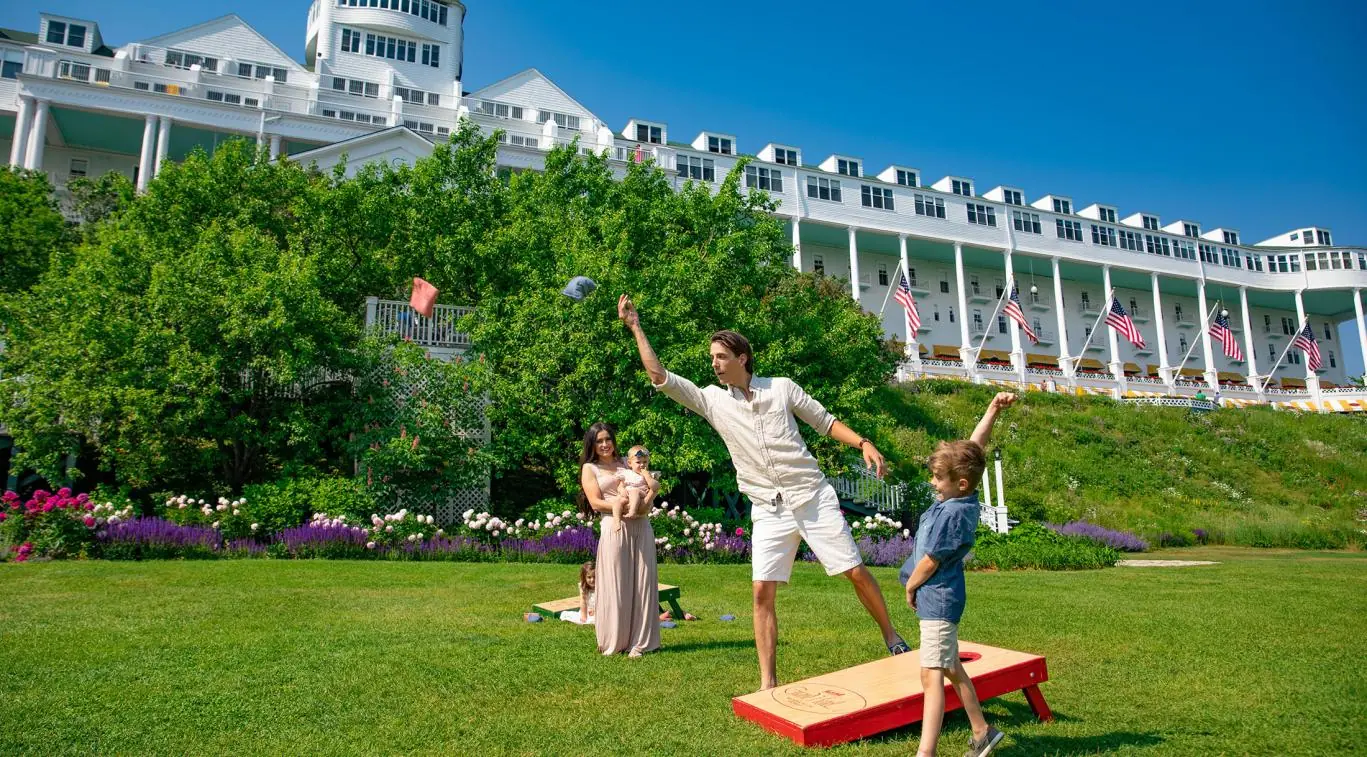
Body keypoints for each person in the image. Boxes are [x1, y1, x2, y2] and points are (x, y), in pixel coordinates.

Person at [617, 294, 907, 691]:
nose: (714, 363)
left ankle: (892, 637)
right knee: (760, 591)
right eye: (712, 358)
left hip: (811, 497)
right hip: (768, 509)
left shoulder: (782, 389)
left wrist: (862, 443)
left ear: (743, 358)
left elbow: (824, 422)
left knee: (855, 572)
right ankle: (767, 683)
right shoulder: (712, 400)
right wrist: (635, 326)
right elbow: (659, 376)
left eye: (720, 356)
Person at [902, 392, 1016, 757]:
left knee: (931, 675)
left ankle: (926, 752)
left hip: (937, 597)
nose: (933, 483)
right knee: (950, 666)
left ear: (961, 484)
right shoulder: (958, 493)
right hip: (938, 598)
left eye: (938, 478)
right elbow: (973, 450)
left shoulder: (954, 514)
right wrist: (993, 410)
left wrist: (911, 585)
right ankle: (982, 731)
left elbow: (932, 560)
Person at [578, 422, 661, 657]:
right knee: (616, 583)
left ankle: (642, 642)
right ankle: (615, 641)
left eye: (608, 439)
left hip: (641, 525)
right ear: (592, 445)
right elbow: (595, 502)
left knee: (642, 582)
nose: (604, 444)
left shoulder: (628, 462)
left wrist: (646, 501)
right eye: (599, 441)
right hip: (613, 525)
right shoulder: (590, 468)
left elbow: (647, 485)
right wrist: (620, 507)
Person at [613, 445, 655, 531]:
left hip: (641, 495)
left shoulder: (648, 474)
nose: (642, 465)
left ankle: (633, 511)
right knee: (617, 502)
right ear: (629, 463)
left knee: (634, 491)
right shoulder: (626, 473)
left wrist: (647, 478)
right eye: (638, 462)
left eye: (645, 462)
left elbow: (652, 487)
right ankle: (617, 521)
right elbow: (620, 485)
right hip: (627, 495)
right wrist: (621, 490)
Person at [560, 561, 596, 625]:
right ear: (584, 577)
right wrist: (584, 616)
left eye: (594, 577)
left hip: (600, 610)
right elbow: (583, 601)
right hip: (588, 611)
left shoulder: (601, 588)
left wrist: (596, 611)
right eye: (589, 577)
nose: (592, 580)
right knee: (566, 615)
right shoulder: (583, 587)